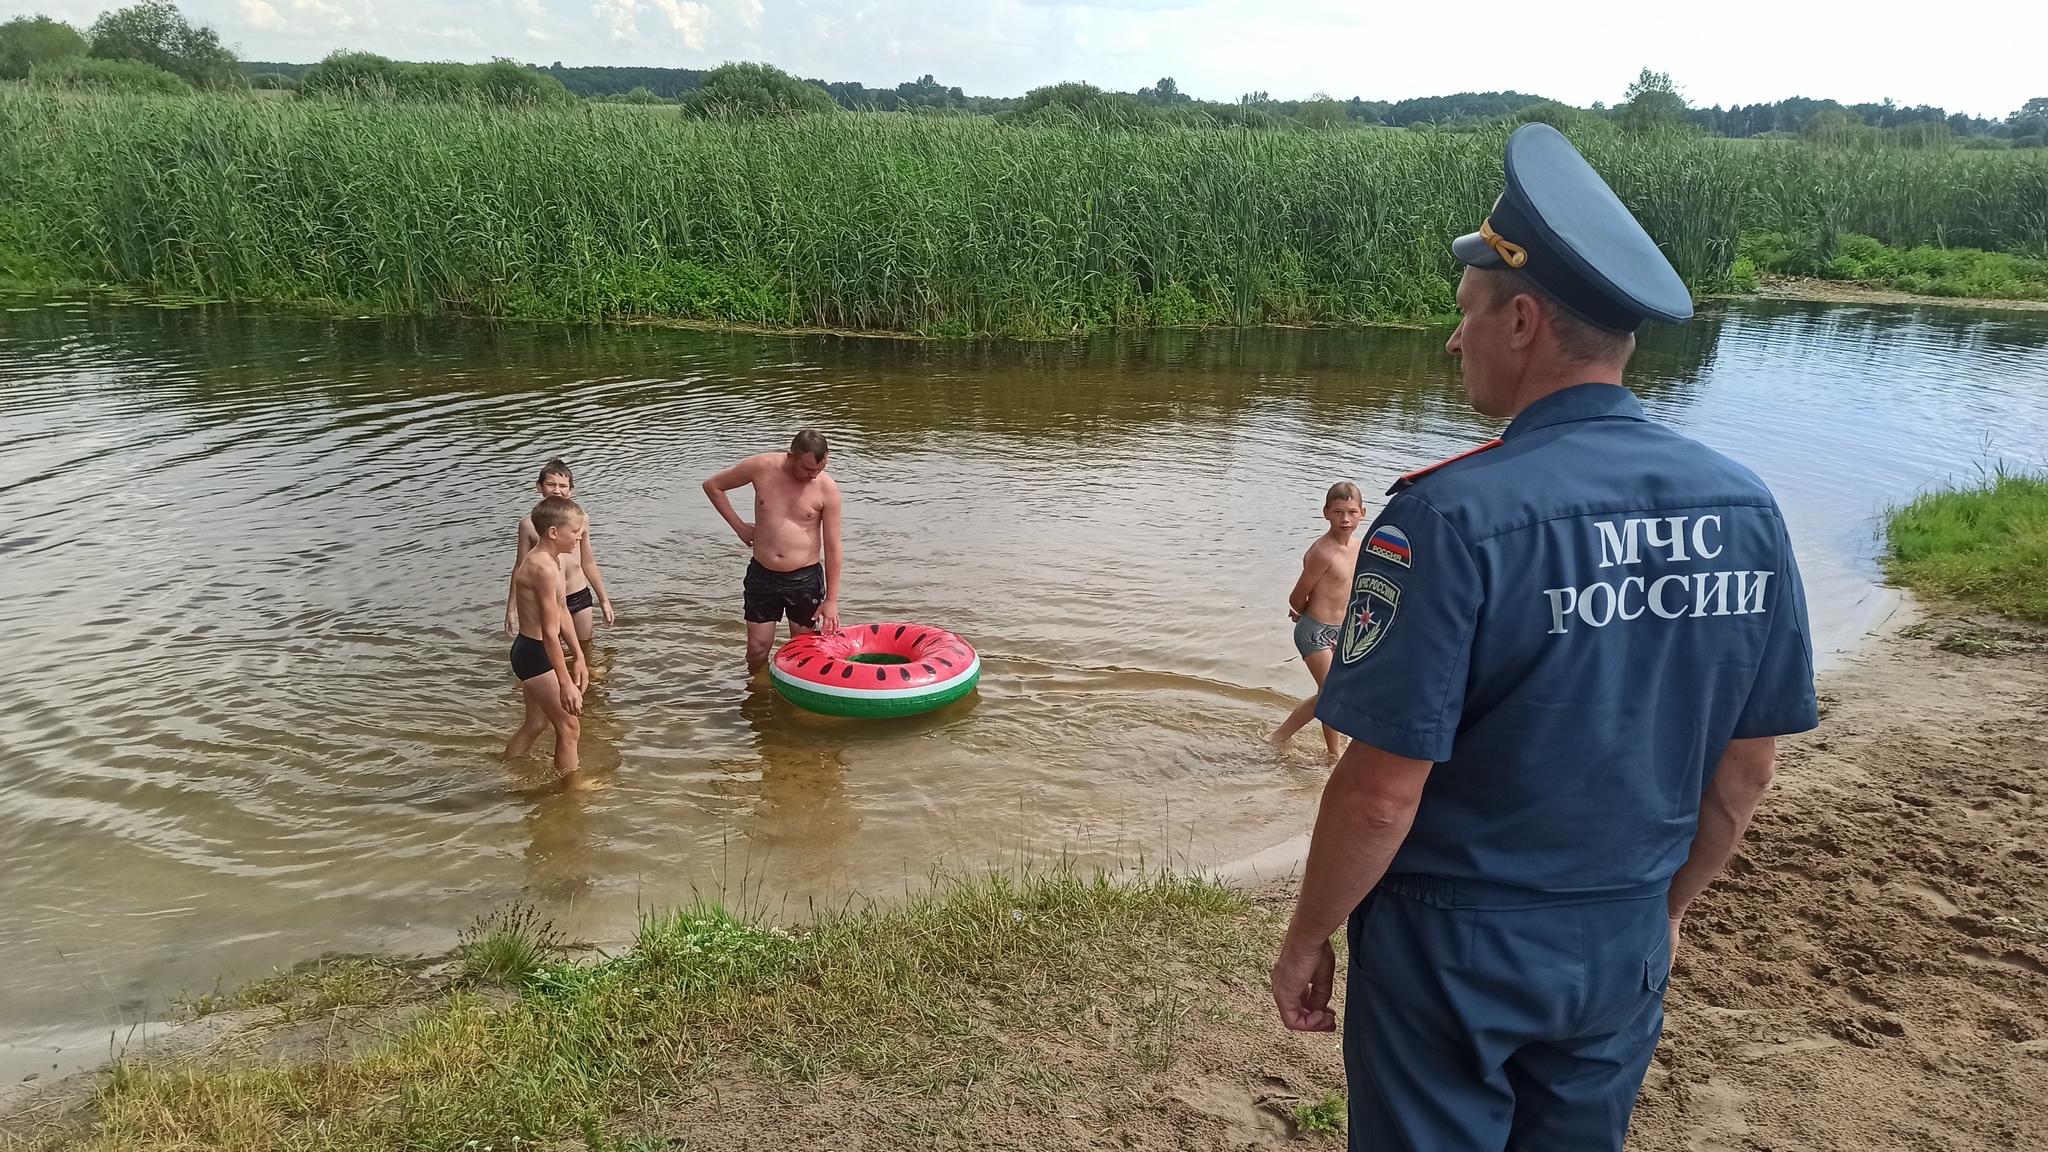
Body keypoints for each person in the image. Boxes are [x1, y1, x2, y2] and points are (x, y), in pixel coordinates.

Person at [1268, 123, 1818, 1151]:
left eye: (1464, 314)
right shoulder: (1743, 503)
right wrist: (1667, 906)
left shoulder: (1445, 517)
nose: (1451, 338)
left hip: (1455, 941)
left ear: (1521, 321)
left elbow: (1384, 787)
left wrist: (1307, 933)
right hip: (1621, 929)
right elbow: (1745, 769)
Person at [702, 429, 844, 673]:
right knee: (757, 649)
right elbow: (713, 486)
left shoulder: (826, 488)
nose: (813, 475)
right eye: (808, 469)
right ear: (791, 457)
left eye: (819, 470)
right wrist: (739, 527)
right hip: (763, 575)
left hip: (805, 578)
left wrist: (831, 600)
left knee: (803, 650)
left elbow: (833, 548)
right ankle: (757, 694)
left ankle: (793, 701)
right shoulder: (761, 467)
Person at [1271, 481, 1366, 757]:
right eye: (1337, 512)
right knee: (1331, 694)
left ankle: (1281, 738)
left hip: (1343, 631)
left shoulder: (1361, 548)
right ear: (1326, 513)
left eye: (1351, 511)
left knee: (1331, 693)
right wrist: (1301, 611)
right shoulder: (1322, 552)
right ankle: (1332, 754)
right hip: (1314, 631)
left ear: (1363, 512)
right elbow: (1297, 596)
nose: (1345, 519)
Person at [504, 495, 592, 787]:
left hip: (537, 649)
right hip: (534, 652)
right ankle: (572, 789)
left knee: (537, 722)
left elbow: (563, 609)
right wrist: (565, 682)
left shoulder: (555, 560)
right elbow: (550, 632)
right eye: (574, 531)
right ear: (553, 532)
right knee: (569, 726)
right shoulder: (541, 567)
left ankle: (506, 768)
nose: (579, 536)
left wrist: (579, 656)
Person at [505, 459, 614, 655]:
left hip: (578, 593)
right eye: (550, 484)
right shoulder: (529, 525)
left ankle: (586, 680)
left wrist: (604, 600)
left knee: (585, 647)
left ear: (571, 490)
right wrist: (511, 608)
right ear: (539, 487)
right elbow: (520, 566)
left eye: (563, 486)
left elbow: (588, 562)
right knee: (550, 649)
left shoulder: (581, 520)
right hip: (549, 597)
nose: (557, 490)